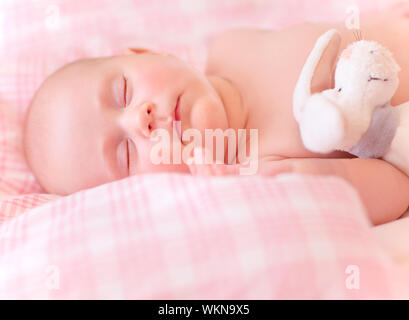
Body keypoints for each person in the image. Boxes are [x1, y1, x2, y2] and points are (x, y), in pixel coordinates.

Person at [23, 5, 409, 225]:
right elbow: (396, 189)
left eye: (123, 92)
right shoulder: (261, 166)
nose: (140, 120)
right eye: (126, 153)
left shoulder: (231, 43)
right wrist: (301, 182)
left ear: (150, 53)